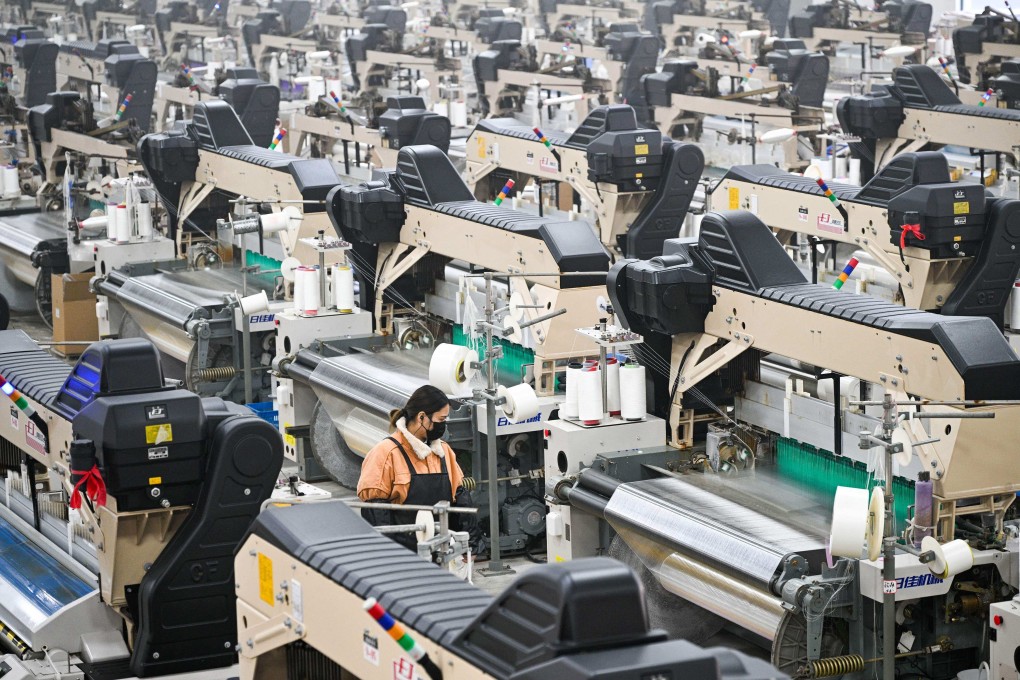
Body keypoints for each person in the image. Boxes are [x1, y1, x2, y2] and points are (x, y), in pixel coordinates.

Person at [357, 384, 486, 555]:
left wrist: (470, 546)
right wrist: (388, 556)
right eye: (441, 420)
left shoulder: (443, 451)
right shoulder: (386, 453)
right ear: (422, 417)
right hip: (403, 554)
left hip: (442, 550)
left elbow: (460, 499)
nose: (444, 425)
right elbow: (376, 512)